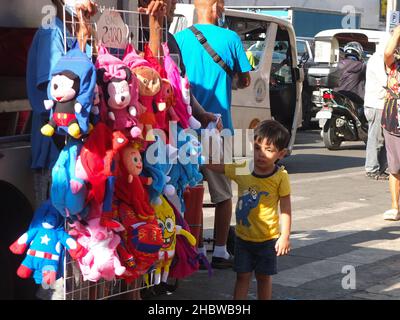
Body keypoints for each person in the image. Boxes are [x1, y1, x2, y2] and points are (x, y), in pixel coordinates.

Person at [26, 0, 96, 299]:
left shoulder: (68, 28)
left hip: (72, 155)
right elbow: (56, 100)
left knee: (74, 241)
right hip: (56, 152)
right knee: (52, 238)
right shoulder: (51, 29)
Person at [174, 0, 252, 269]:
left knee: (184, 189)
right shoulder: (231, 38)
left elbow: (177, 79)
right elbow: (245, 80)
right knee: (222, 193)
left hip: (186, 127)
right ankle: (219, 251)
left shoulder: (180, 39)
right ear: (218, 5)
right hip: (219, 126)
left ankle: (187, 247)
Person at [205, 120, 292, 300]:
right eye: (258, 148)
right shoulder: (243, 168)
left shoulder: (280, 177)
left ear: (281, 154)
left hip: (268, 240)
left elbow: (285, 208)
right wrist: (200, 160)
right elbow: (220, 167)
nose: (261, 155)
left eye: (269, 150)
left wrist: (284, 236)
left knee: (263, 277)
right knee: (242, 276)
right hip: (243, 239)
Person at [27, 0, 96, 209]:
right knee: (59, 219)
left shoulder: (73, 31)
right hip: (55, 149)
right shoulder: (52, 32)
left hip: (75, 145)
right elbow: (58, 93)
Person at [364, 36, 389, 181]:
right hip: (376, 104)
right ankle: (372, 168)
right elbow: (385, 81)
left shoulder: (381, 59)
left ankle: (381, 168)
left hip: (381, 104)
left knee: (384, 139)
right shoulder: (377, 60)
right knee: (375, 138)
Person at [382, 26, 400, 221]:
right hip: (393, 118)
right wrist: (397, 32)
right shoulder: (393, 64)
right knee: (395, 166)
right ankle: (395, 207)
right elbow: (388, 52)